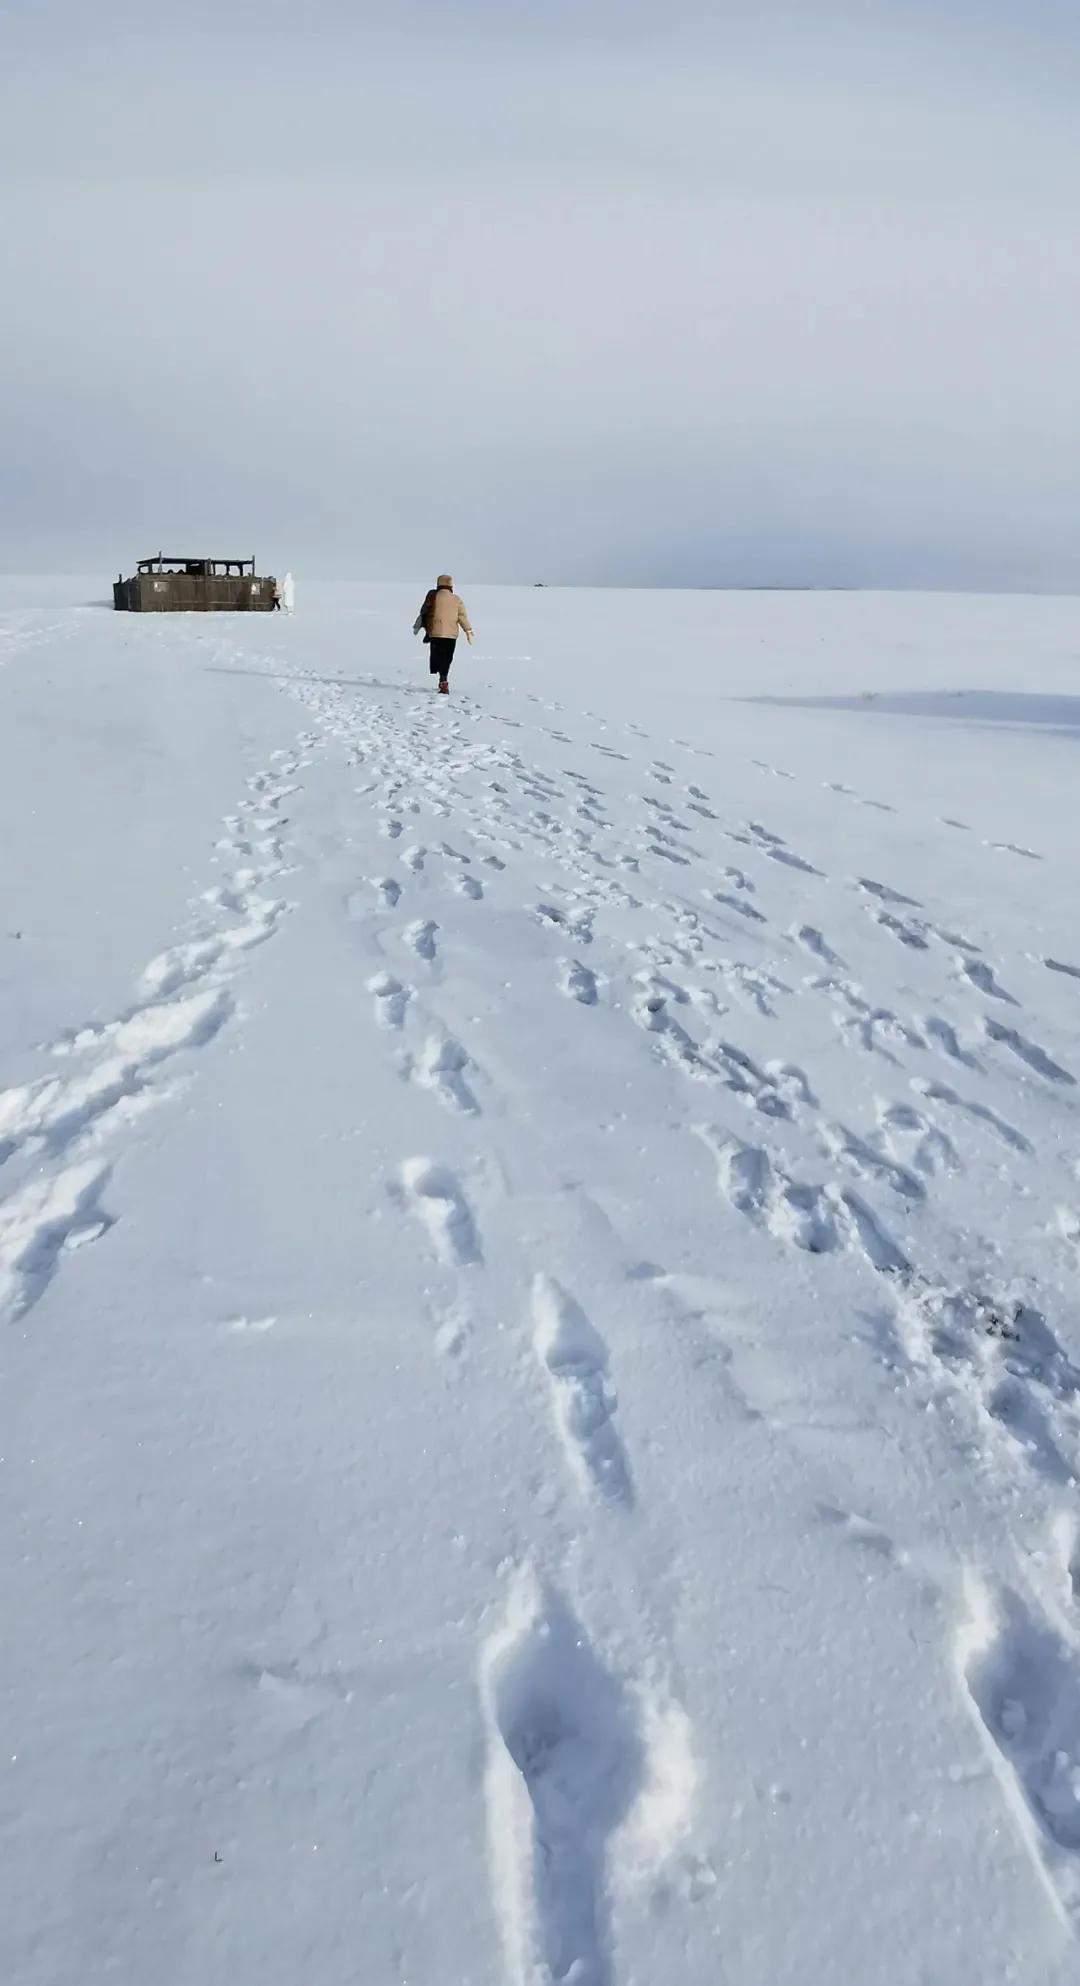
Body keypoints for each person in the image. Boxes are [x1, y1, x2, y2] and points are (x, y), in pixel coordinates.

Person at [413, 574, 473, 693]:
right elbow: (461, 616)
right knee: (447, 658)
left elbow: (423, 613)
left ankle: (442, 678)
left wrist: (417, 626)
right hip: (451, 635)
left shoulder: (433, 596)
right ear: (450, 585)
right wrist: (468, 630)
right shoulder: (456, 599)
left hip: (435, 633)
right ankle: (444, 679)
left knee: (437, 656)